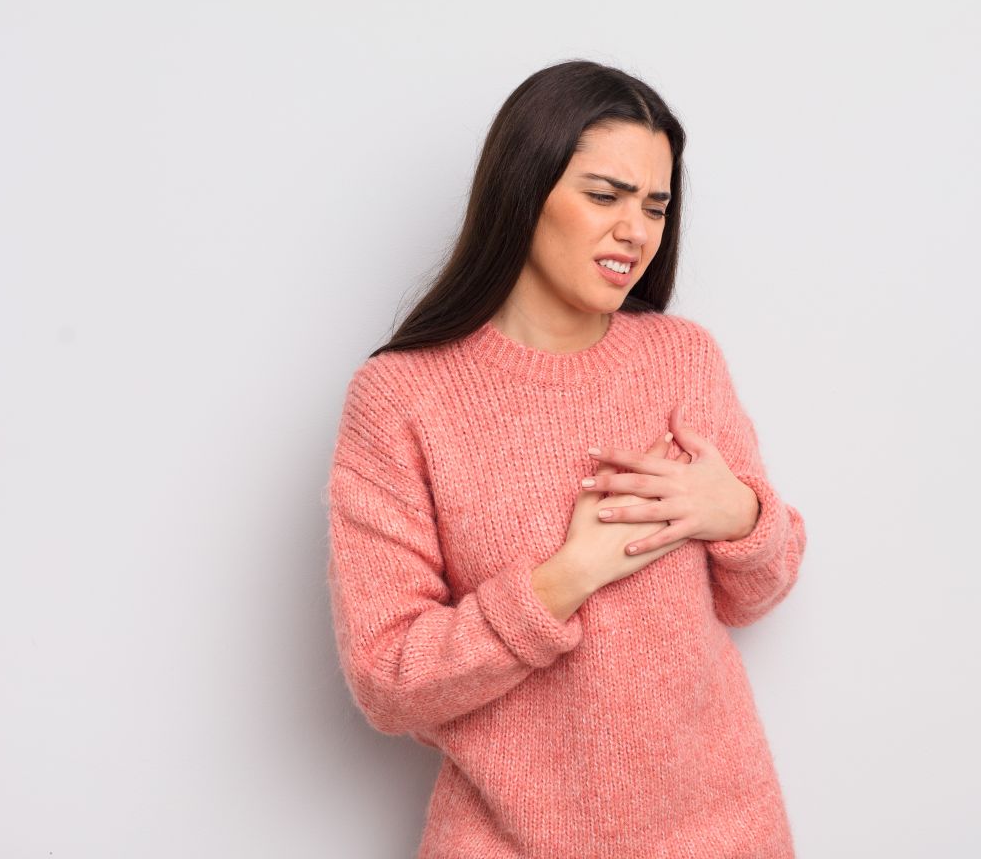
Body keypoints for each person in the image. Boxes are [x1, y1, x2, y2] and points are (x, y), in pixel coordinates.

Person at [324, 59, 808, 858]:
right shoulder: (401, 399)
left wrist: (743, 517)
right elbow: (387, 678)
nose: (637, 231)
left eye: (655, 205)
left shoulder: (681, 359)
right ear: (524, 189)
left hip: (723, 834)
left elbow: (758, 593)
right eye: (605, 195)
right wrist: (566, 577)